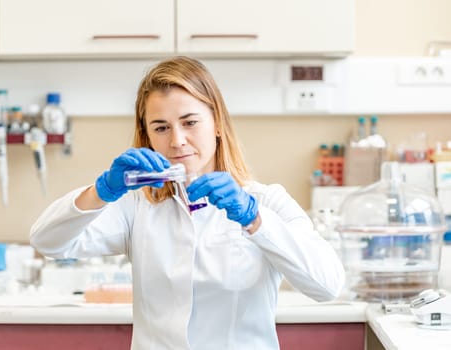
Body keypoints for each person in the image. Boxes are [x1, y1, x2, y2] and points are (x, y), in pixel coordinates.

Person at [30, 56, 345, 350]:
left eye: (190, 122)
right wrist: (100, 191)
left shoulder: (267, 201)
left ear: (217, 123)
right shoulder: (137, 207)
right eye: (161, 127)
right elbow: (48, 242)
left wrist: (254, 219)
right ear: (147, 135)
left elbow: (327, 285)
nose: (177, 140)